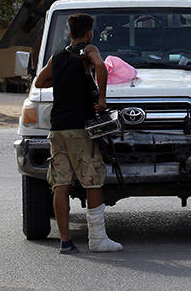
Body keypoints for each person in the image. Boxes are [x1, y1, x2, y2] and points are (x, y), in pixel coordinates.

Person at [34, 13, 123, 254]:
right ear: (89, 32)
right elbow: (102, 67)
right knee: (92, 181)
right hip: (80, 129)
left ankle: (65, 241)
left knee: (60, 185)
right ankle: (97, 239)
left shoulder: (58, 56)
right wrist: (102, 99)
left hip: (57, 130)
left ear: (70, 32)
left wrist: (64, 80)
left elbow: (40, 82)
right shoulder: (89, 50)